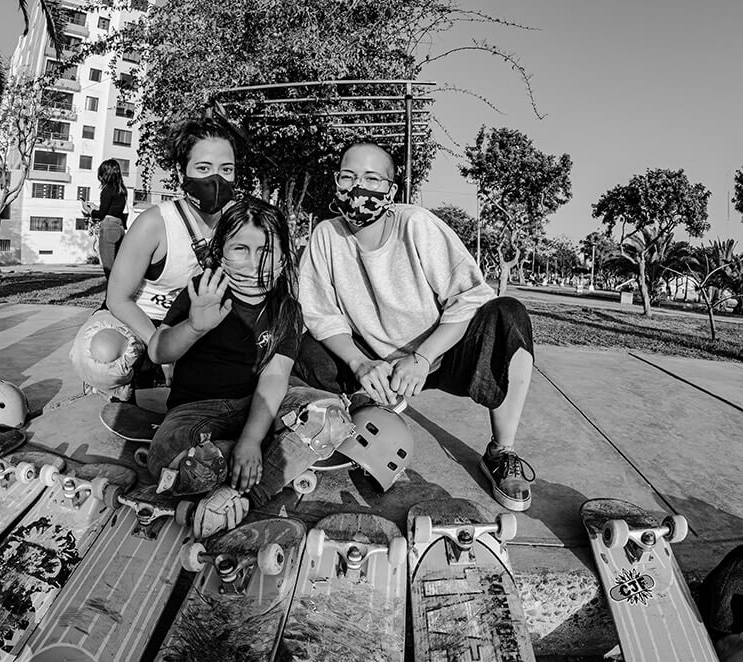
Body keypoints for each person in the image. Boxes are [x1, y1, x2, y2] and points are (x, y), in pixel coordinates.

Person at [295, 142, 537, 512]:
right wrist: (360, 363)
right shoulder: (326, 236)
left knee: (510, 317)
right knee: (304, 348)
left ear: (391, 191)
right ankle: (361, 413)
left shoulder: (416, 225)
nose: (358, 188)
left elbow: (469, 297)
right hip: (373, 362)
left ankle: (501, 451)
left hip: (439, 355)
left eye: (372, 179)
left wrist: (423, 358)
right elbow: (320, 314)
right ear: (336, 182)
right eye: (349, 177)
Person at [146, 196, 354, 539]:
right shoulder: (203, 290)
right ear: (221, 252)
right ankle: (238, 466)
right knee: (171, 460)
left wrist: (251, 439)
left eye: (265, 250)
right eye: (240, 249)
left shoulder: (287, 309)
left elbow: (274, 379)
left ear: (284, 257)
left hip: (260, 408)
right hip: (195, 412)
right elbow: (158, 351)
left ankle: (240, 491)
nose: (254, 263)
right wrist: (195, 326)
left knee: (331, 417)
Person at [69, 117, 237, 402]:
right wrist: (161, 346)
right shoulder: (155, 223)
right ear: (180, 171)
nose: (216, 179)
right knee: (102, 356)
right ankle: (127, 380)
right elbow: (118, 298)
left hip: (195, 323)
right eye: (203, 168)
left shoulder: (238, 224)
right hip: (136, 320)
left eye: (227, 169)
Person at [81, 158, 129, 280]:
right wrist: (95, 207)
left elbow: (101, 214)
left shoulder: (107, 190)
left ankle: (112, 297)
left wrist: (89, 210)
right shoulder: (122, 190)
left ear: (104, 174)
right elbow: (111, 210)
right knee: (119, 267)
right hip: (119, 227)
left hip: (108, 228)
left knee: (109, 269)